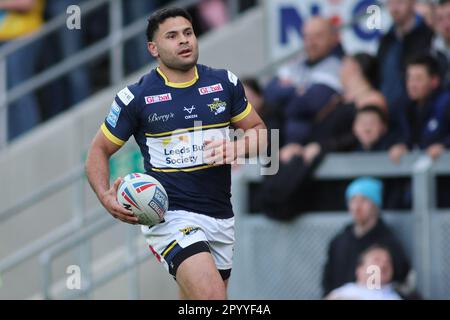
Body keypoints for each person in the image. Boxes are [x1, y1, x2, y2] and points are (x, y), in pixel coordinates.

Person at [85, 7, 266, 300]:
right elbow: (99, 150)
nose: (184, 40)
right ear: (153, 48)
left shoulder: (224, 83)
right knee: (211, 298)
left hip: (221, 215)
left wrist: (236, 147)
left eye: (188, 33)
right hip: (171, 216)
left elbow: (259, 131)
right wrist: (105, 195)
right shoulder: (137, 97)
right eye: (172, 36)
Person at [322, 177, 411, 296]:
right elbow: (328, 281)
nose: (357, 207)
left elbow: (398, 282)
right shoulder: (339, 241)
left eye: (364, 200)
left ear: (375, 205)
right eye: (353, 200)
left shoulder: (389, 243)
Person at [0, 0, 45, 141]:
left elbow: (26, 4)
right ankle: (14, 140)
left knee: (20, 91)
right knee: (8, 95)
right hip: (7, 39)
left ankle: (29, 139)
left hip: (24, 36)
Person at [377, 0, 434, 108]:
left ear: (413, 3)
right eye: (391, 3)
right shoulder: (386, 40)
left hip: (416, 110)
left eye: (400, 2)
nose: (394, 8)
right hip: (387, 110)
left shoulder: (427, 36)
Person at [326, 244, 403, 300]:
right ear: (359, 269)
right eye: (377, 260)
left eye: (388, 262)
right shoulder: (342, 292)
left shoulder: (395, 297)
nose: (383, 264)